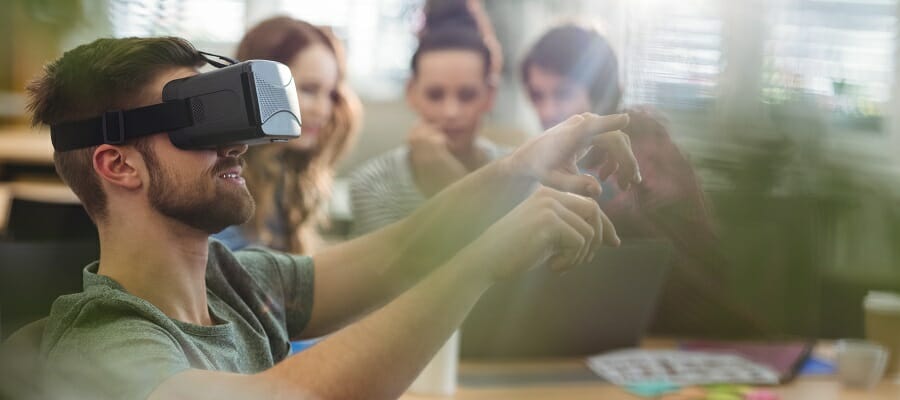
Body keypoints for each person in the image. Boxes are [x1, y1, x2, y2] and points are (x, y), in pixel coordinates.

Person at [1, 36, 641, 400]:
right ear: (119, 166)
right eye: (198, 124)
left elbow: (398, 254)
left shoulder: (234, 283)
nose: (237, 146)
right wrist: (482, 261)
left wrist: (518, 168)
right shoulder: (106, 348)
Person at [521, 23, 772, 336]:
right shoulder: (559, 160)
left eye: (562, 94)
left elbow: (680, 278)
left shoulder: (642, 149)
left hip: (675, 332)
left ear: (601, 94)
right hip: (599, 330)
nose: (547, 110)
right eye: (537, 96)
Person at [349, 2, 505, 236]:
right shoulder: (373, 182)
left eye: (467, 95)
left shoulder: (521, 172)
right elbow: (394, 272)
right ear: (411, 92)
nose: (451, 112)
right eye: (435, 95)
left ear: (490, 95)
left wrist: (450, 181)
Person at [213, 17, 362, 254]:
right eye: (309, 89)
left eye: (331, 94)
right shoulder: (218, 180)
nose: (323, 110)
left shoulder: (287, 169)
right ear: (258, 85)